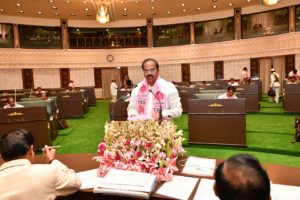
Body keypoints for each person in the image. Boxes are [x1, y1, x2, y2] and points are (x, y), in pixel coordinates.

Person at [0, 129, 81, 200]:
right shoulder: (49, 171)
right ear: (31, 150)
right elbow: (75, 182)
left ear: (1, 156)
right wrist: (52, 160)